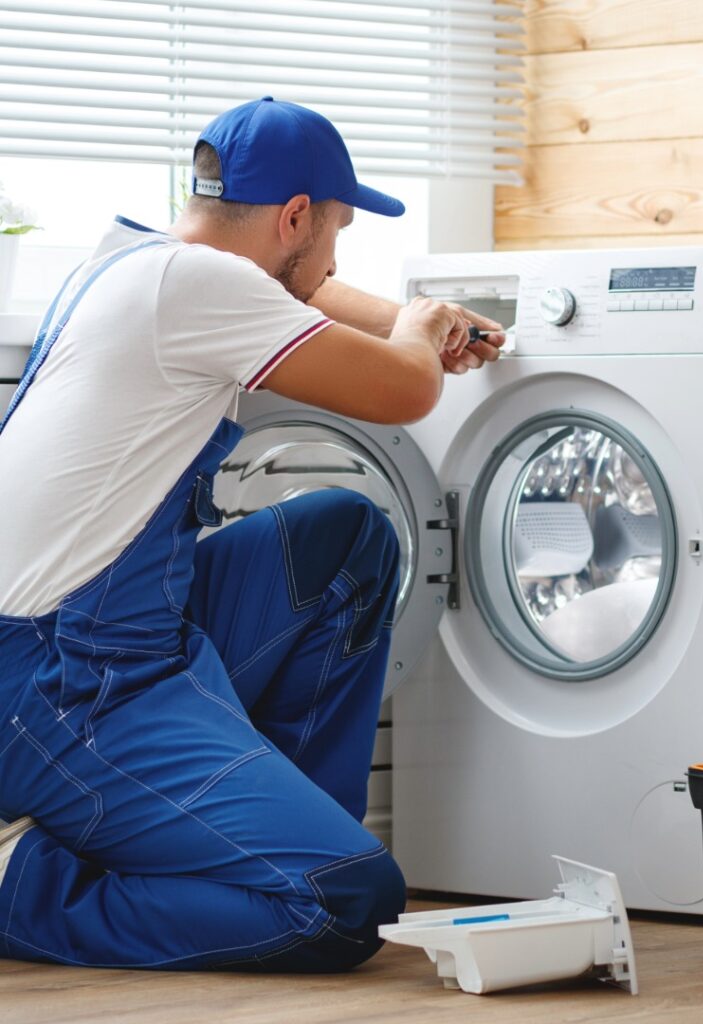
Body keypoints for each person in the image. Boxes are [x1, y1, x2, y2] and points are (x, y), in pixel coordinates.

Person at [0, 97, 504, 972]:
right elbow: (405, 395)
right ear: (295, 217)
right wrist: (419, 333)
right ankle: (24, 884)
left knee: (344, 537)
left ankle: (262, 830)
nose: (338, 254)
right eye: (338, 227)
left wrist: (412, 324)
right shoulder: (201, 286)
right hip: (62, 685)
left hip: (118, 638)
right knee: (344, 901)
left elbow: (306, 290)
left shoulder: (135, 261)